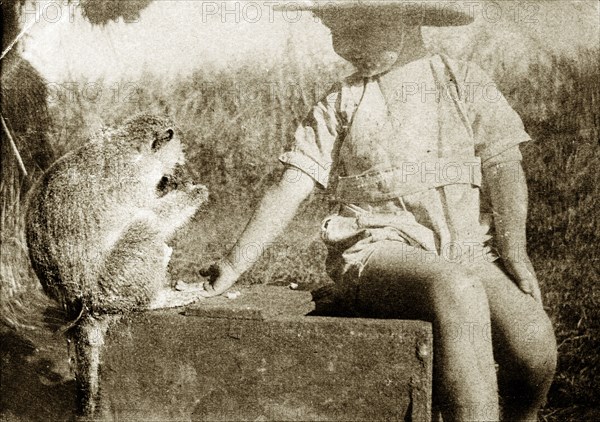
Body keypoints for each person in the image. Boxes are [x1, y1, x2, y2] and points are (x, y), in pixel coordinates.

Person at [198, 1, 557, 420]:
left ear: (408, 19)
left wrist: (514, 250)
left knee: (534, 349)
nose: (347, 45)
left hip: (465, 250)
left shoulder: (464, 81)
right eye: (337, 31)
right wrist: (233, 262)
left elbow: (504, 166)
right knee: (455, 290)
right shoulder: (341, 102)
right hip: (378, 251)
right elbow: (290, 184)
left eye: (361, 28)